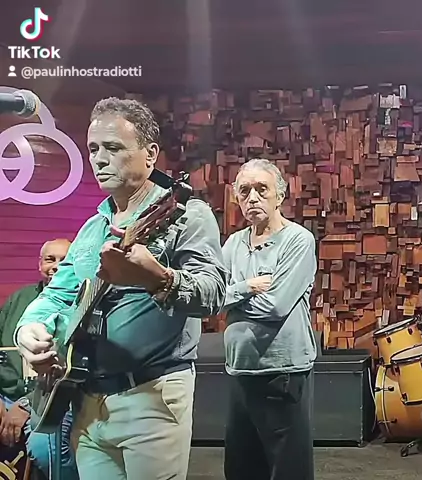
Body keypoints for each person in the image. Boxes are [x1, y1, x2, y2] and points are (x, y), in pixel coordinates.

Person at [14, 97, 228, 480]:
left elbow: (213, 294)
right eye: (93, 148)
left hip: (151, 396)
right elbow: (56, 295)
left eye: (112, 148)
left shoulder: (185, 215)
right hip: (85, 401)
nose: (99, 159)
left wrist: (157, 278)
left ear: (150, 155)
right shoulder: (92, 228)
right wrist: (30, 329)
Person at [221, 158, 317, 480]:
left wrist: (232, 301)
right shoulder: (233, 244)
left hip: (282, 373)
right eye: (245, 191)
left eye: (262, 189)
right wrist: (246, 287)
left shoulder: (298, 240)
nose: (253, 198)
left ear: (280, 195)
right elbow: (214, 297)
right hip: (240, 369)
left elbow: (275, 306)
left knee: (287, 470)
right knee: (241, 468)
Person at [0, 238, 77, 479]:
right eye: (50, 259)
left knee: (44, 450)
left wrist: (25, 404)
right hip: (5, 395)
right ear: (39, 264)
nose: (56, 266)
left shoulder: (82, 302)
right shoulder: (18, 299)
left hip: (51, 399)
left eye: (64, 260)